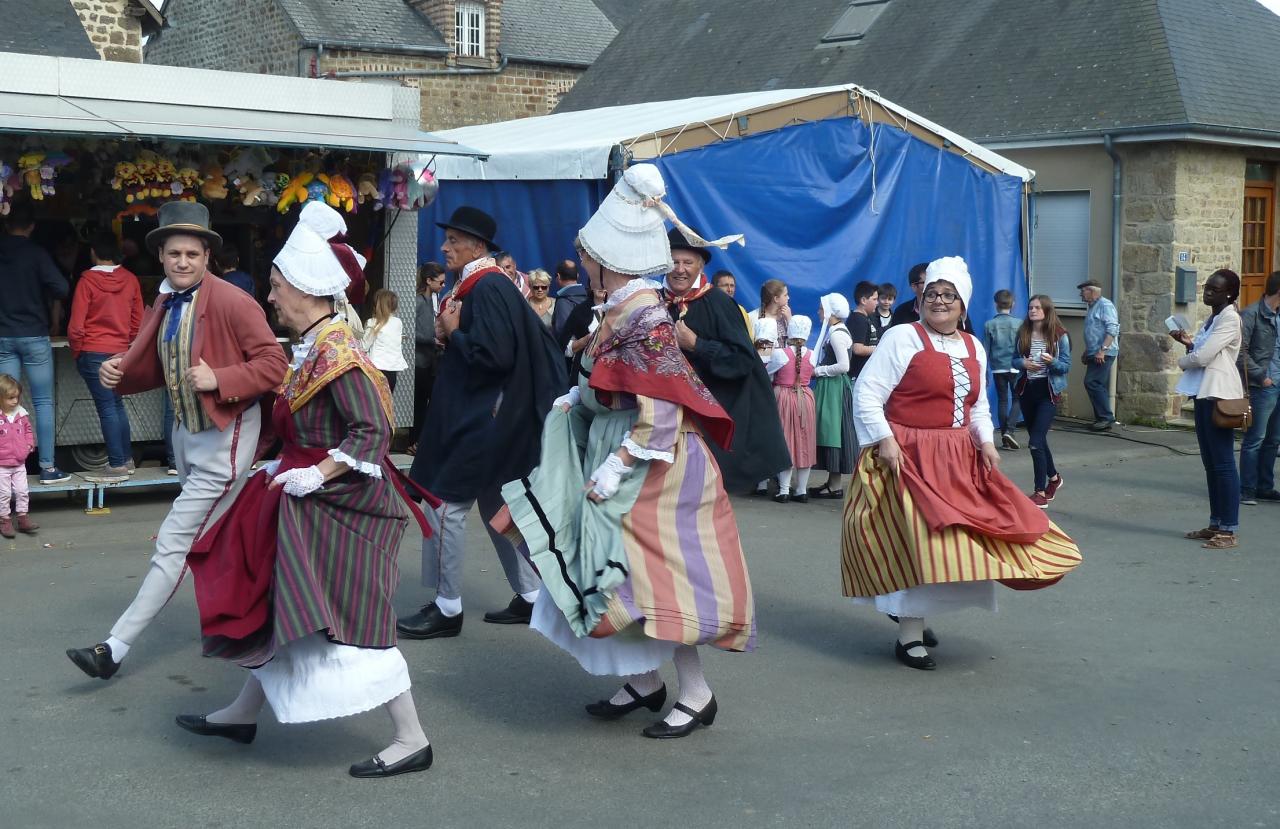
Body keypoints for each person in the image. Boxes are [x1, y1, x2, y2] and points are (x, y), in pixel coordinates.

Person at [180, 203, 436, 778]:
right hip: (309, 501)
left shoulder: (338, 352)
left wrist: (315, 474)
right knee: (283, 608)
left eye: (275, 286)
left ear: (301, 288)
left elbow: (371, 431)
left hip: (346, 509)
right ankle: (244, 714)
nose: (270, 297)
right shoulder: (316, 346)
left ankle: (412, 737)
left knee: (352, 620)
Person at [499, 163, 755, 739]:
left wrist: (617, 466)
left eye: (588, 254)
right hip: (628, 448)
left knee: (653, 579)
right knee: (622, 576)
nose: (582, 260)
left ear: (606, 260)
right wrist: (577, 398)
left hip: (654, 461)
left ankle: (697, 692)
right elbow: (611, 379)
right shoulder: (622, 307)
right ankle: (645, 680)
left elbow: (660, 407)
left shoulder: (643, 314)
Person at [65, 201, 288, 681]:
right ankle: (274, 613)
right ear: (161, 257)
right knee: (219, 538)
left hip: (224, 438)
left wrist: (220, 378)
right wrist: (116, 368)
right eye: (174, 253)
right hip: (185, 436)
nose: (182, 261)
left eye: (192, 253)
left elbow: (274, 365)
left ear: (208, 256)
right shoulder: (163, 299)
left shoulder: (233, 300)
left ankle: (114, 647)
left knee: (173, 544)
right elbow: (155, 358)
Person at [841, 256, 1082, 670]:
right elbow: (866, 393)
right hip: (908, 457)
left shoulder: (973, 346)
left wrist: (986, 443)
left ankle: (913, 616)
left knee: (956, 544)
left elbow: (978, 406)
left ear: (963, 304)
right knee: (919, 544)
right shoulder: (902, 338)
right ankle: (909, 634)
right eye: (933, 293)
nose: (939, 300)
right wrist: (884, 440)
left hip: (956, 459)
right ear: (921, 299)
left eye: (949, 295)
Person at [398, 207, 565, 639]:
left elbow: (493, 357)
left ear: (478, 246)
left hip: (480, 417)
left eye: (453, 240)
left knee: (446, 505)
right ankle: (531, 597)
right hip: (493, 417)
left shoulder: (486, 286)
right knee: (494, 507)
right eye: (447, 239)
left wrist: (454, 333)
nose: (444, 247)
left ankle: (447, 607)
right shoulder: (488, 284)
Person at [660, 228, 791, 494]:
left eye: (688, 262)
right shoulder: (654, 301)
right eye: (674, 261)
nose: (680, 269)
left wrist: (697, 345)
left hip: (702, 428)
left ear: (701, 265)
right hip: (662, 421)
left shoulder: (718, 303)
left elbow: (743, 360)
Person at [1173, 269, 1245, 549]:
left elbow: (1203, 356)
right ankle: (1216, 522)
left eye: (1214, 289)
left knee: (1224, 463)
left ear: (1229, 293)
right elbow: (1201, 349)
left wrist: (1185, 359)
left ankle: (1228, 529)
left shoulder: (1230, 318)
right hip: (1202, 392)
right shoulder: (1213, 317)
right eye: (1207, 287)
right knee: (1211, 463)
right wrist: (1188, 344)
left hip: (1219, 394)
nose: (1208, 292)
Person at [0, 202, 71, 484]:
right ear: (31, 227)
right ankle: (48, 468)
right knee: (43, 402)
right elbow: (62, 288)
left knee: (4, 405)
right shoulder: (37, 254)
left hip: (3, 336)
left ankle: (6, 469)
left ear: (6, 225)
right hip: (34, 335)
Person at [67, 231, 144, 483]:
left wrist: (78, 351)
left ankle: (116, 464)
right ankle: (127, 460)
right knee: (117, 405)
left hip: (93, 351)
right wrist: (127, 346)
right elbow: (138, 322)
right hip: (121, 351)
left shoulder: (87, 282)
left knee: (107, 408)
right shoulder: (131, 280)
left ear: (93, 252)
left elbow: (76, 326)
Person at [1013, 295, 1071, 508]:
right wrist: (1023, 363)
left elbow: (1066, 366)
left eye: (1037, 307)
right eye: (1030, 307)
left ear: (1047, 310)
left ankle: (1040, 492)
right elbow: (1013, 359)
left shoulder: (1059, 335)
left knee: (1035, 442)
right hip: (1027, 390)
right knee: (1038, 439)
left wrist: (1052, 362)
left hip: (1048, 393)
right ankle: (1054, 478)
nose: (1033, 310)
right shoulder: (1023, 332)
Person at [1238, 270, 1280, 505]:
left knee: (1273, 440)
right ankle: (1247, 489)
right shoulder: (1251, 314)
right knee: (1255, 439)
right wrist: (1262, 377)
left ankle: (1265, 486)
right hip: (1263, 386)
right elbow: (1240, 352)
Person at [809, 293, 855, 498]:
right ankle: (832, 482)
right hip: (832, 387)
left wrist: (819, 371)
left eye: (821, 308)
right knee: (830, 431)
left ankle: (835, 485)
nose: (819, 311)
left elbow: (844, 366)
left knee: (832, 431)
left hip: (834, 388)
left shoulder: (837, 334)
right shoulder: (835, 331)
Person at [773, 315, 816, 503]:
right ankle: (801, 489)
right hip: (805, 399)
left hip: (784, 397)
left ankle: (783, 490)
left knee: (785, 440)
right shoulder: (813, 354)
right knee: (805, 442)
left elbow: (767, 372)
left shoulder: (780, 354)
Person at [410, 261, 446, 454]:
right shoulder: (417, 302)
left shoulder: (433, 300)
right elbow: (409, 331)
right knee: (419, 404)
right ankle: (414, 441)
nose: (442, 286)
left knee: (428, 403)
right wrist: (431, 340)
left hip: (431, 361)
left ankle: (420, 441)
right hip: (419, 362)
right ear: (428, 280)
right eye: (440, 282)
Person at [1079, 278, 1120, 431]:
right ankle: (1101, 419)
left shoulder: (1105, 305)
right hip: (1095, 352)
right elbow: (1094, 331)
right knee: (1096, 383)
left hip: (1105, 352)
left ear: (1092, 291)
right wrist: (1087, 351)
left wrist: (1102, 350)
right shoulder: (1092, 306)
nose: (1081, 295)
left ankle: (1106, 418)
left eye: (1083, 291)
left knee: (1092, 382)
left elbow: (1112, 329)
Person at [983, 289, 1022, 450]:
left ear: (995, 305)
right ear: (1013, 304)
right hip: (1016, 366)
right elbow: (1023, 346)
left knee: (1003, 400)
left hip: (997, 368)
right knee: (1018, 398)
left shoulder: (989, 325)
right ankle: (1010, 431)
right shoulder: (1019, 324)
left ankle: (1005, 435)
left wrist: (985, 372)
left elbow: (985, 349)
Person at [0, 373, 38, 538]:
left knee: (23, 491)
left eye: (17, 397)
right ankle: (5, 520)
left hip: (19, 462)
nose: (15, 401)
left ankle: (23, 518)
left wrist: (29, 444)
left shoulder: (21, 414)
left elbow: (28, 430)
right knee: (4, 493)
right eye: (10, 398)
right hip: (2, 464)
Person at [362, 288, 408, 391]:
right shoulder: (398, 322)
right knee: (387, 403)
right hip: (392, 371)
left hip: (376, 369)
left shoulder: (372, 323)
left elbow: (363, 347)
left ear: (376, 305)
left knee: (375, 404)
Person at [747, 279, 790, 347]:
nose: (788, 298)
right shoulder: (752, 318)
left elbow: (795, 346)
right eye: (785, 295)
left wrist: (790, 321)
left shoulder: (786, 316)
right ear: (776, 299)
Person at [550, 259, 585, 337]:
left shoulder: (563, 301)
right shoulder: (591, 297)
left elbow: (563, 336)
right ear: (577, 275)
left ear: (558, 276)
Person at [713, 268, 753, 336]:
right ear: (715, 288)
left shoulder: (741, 310)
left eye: (732, 286)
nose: (729, 289)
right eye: (725, 285)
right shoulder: (709, 308)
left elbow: (749, 337)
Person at [889, 262, 928, 327]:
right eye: (927, 282)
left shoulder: (942, 309)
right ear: (914, 287)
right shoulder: (901, 311)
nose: (932, 285)